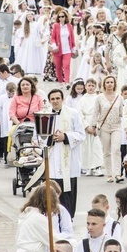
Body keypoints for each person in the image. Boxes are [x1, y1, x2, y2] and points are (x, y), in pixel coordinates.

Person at [45, 89, 86, 218]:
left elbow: (81, 134)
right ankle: (53, 217)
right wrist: (50, 138)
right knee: (52, 190)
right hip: (52, 160)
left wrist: (65, 136)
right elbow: (37, 137)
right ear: (49, 100)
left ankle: (69, 218)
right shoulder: (44, 115)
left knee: (68, 191)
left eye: (58, 98)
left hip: (69, 160)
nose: (55, 101)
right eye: (53, 99)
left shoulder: (73, 114)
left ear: (63, 99)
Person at [93, 76, 124, 183]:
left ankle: (118, 174)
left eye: (112, 82)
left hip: (116, 126)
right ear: (104, 84)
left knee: (116, 149)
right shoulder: (99, 97)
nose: (110, 84)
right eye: (108, 82)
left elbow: (122, 113)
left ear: (114, 84)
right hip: (104, 126)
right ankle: (109, 174)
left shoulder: (119, 97)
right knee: (106, 151)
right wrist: (93, 125)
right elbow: (96, 112)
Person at [50, 9, 77, 83]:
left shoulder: (69, 26)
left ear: (65, 17)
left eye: (62, 16)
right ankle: (60, 82)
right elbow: (53, 37)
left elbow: (72, 37)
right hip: (58, 49)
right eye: (59, 17)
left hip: (67, 49)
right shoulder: (56, 26)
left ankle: (67, 82)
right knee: (58, 67)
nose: (61, 18)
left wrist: (74, 47)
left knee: (66, 65)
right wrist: (54, 45)